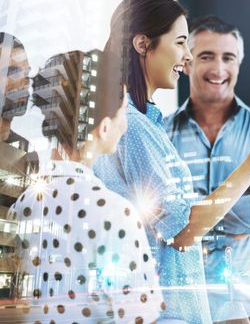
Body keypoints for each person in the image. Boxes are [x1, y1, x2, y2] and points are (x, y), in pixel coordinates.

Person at [93, 0, 250, 324]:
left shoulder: (143, 124)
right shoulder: (135, 128)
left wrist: (207, 210)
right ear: (143, 44)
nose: (186, 56)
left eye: (228, 57)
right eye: (182, 43)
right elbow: (184, 229)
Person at [8, 46, 163, 323]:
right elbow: (140, 316)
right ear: (103, 127)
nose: (125, 125)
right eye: (124, 112)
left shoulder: (21, 207)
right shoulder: (116, 213)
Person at [165, 15, 250, 323]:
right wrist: (238, 197)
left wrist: (194, 217)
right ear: (187, 62)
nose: (218, 69)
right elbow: (159, 216)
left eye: (228, 58)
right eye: (207, 56)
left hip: (236, 305)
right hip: (177, 302)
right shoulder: (163, 132)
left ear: (238, 64)